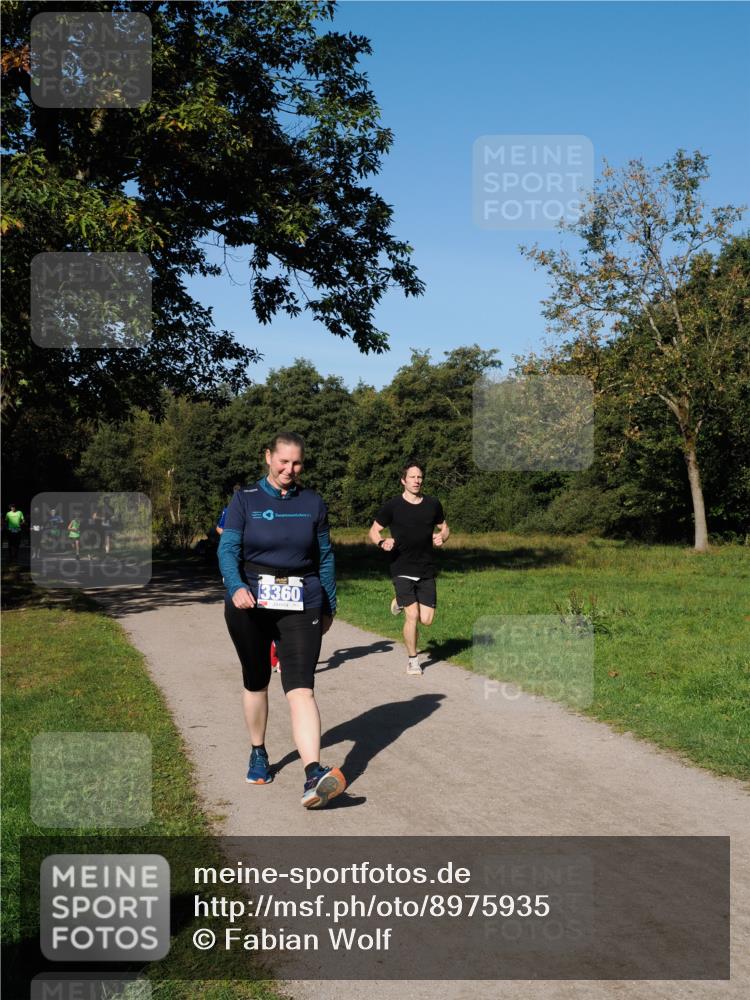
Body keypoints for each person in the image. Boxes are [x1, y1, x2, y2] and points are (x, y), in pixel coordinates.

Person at [218, 432, 346, 809]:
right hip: (250, 602)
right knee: (257, 681)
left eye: (297, 463)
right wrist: (237, 586)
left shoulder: (312, 503)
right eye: (283, 461)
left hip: (302, 599)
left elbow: (324, 557)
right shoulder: (246, 500)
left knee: (301, 687)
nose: (290, 469)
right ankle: (258, 752)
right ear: (268, 457)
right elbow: (228, 549)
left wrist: (328, 605)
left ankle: (313, 774)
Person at [369, 461, 450, 676]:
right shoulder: (393, 506)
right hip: (401, 566)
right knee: (412, 616)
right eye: (412, 477)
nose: (417, 481)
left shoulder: (433, 504)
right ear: (403, 480)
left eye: (420, 477)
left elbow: (445, 527)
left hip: (426, 568)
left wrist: (442, 537)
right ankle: (413, 661)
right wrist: (381, 542)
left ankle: (399, 601)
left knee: (427, 620)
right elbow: (374, 531)